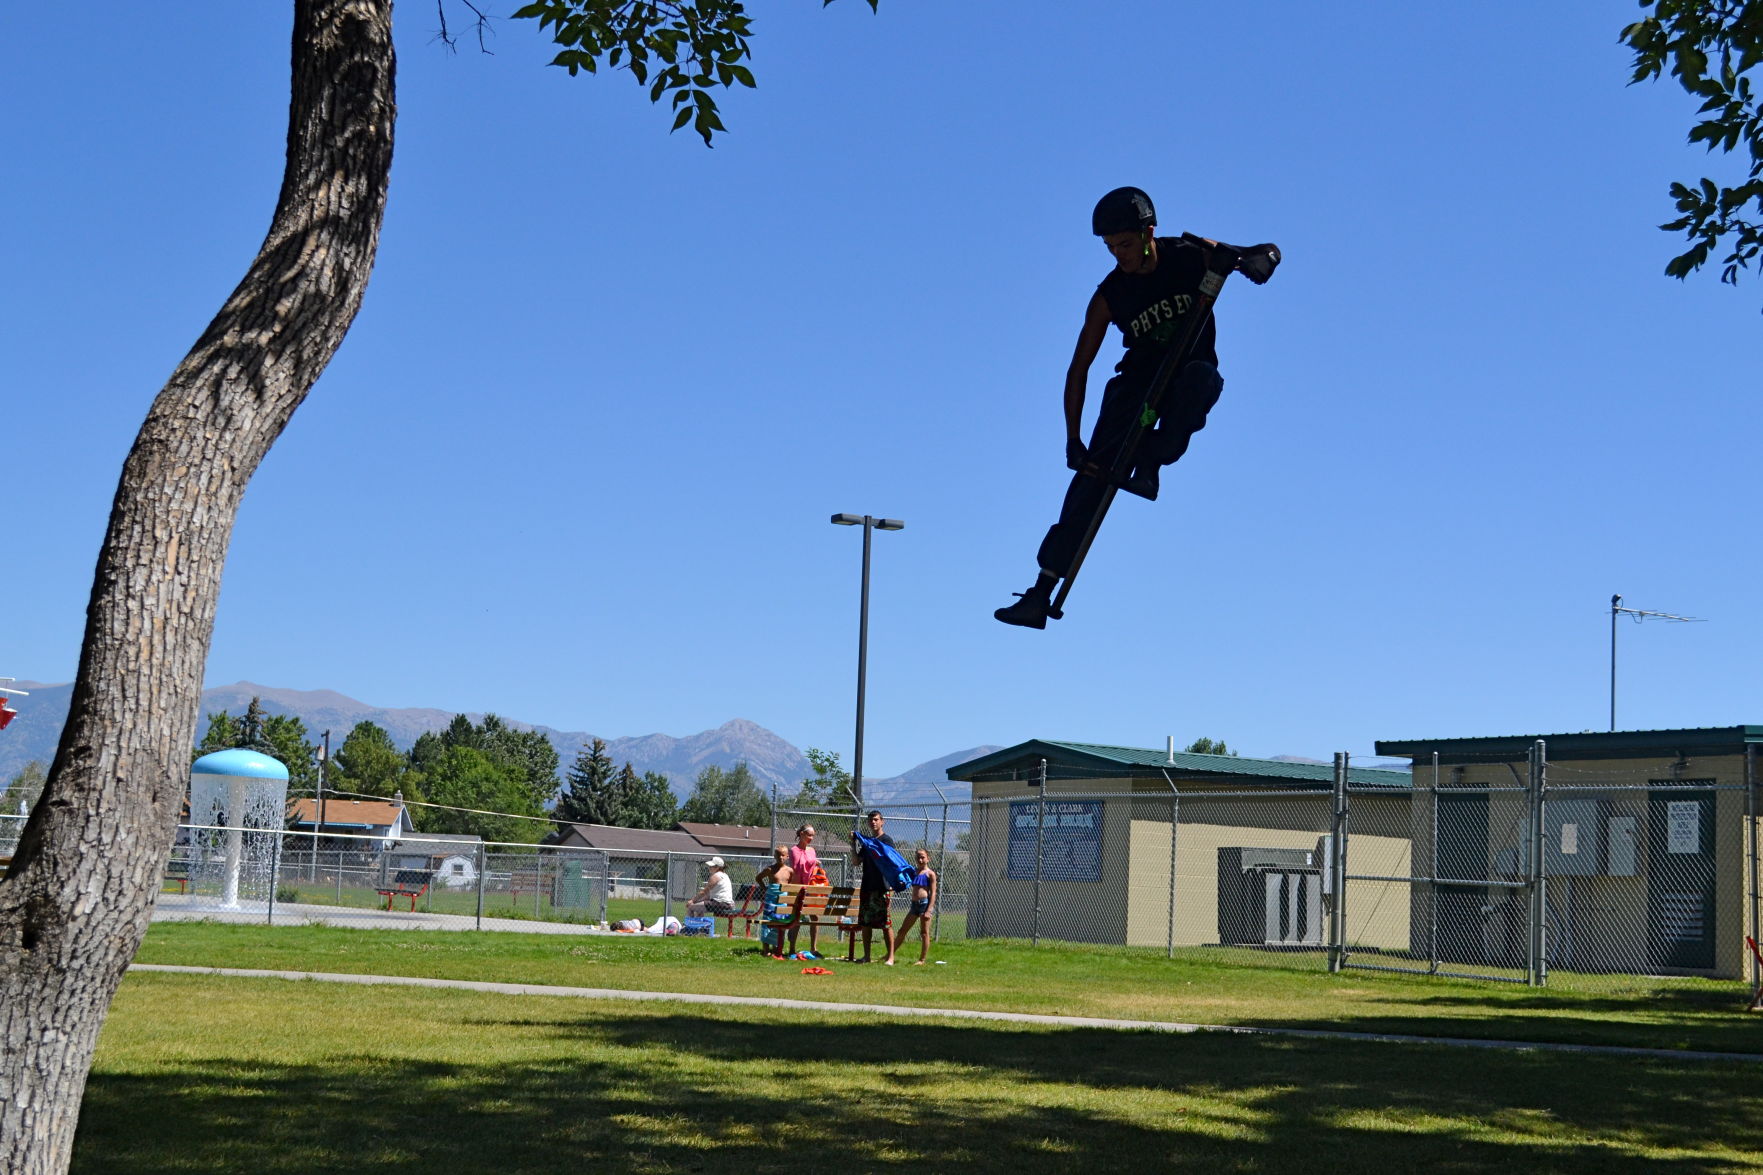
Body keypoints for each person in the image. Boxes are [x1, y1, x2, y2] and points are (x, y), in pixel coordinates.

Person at [994, 186, 1230, 630]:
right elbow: (1077, 371)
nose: (1118, 255)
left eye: (1124, 243)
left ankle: (1153, 459)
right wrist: (1073, 441)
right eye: (1109, 248)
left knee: (1201, 381)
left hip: (1187, 373)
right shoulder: (1109, 295)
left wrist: (1261, 259)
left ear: (1148, 233)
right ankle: (1040, 593)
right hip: (1134, 388)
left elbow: (1246, 255)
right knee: (1090, 481)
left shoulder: (1188, 254)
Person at [850, 810, 898, 965]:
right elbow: (857, 862)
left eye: (876, 819)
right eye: (870, 820)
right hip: (867, 886)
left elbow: (890, 861)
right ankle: (867, 956)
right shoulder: (867, 842)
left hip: (882, 887)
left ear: (882, 821)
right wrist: (853, 844)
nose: (873, 822)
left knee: (885, 923)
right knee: (865, 923)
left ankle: (890, 957)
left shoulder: (887, 840)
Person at [893, 847, 938, 965]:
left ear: (928, 859)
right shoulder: (913, 872)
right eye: (918, 857)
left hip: (924, 904)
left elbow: (933, 893)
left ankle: (922, 960)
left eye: (923, 857)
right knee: (902, 930)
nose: (920, 860)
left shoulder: (930, 874)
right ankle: (890, 955)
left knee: (924, 932)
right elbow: (905, 881)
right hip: (914, 906)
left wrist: (929, 910)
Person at [785, 824, 823, 955]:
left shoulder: (812, 850)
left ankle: (814, 948)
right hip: (797, 889)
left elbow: (809, 867)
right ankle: (792, 949)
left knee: (815, 916)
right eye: (809, 835)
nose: (811, 838)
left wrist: (813, 862)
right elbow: (798, 866)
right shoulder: (793, 850)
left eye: (813, 835)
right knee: (797, 918)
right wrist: (813, 862)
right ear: (801, 834)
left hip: (810, 888)